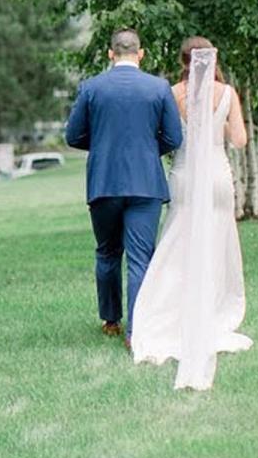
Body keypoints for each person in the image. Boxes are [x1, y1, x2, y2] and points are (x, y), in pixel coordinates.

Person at [131, 37, 253, 390]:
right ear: (212, 58)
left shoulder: (172, 94)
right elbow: (240, 140)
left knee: (178, 245)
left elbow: (166, 137)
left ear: (182, 60)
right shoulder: (227, 93)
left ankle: (171, 313)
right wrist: (222, 123)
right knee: (215, 245)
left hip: (184, 177)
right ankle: (212, 313)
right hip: (216, 176)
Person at [64, 28, 183, 342]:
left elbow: (73, 136)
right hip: (145, 183)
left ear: (110, 53)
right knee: (140, 258)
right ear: (140, 54)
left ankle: (111, 320)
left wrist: (104, 146)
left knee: (107, 252)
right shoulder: (158, 87)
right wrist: (147, 151)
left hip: (104, 182)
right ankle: (137, 330)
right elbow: (174, 137)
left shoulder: (91, 87)